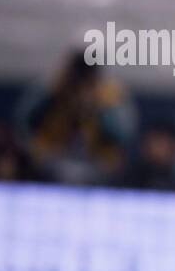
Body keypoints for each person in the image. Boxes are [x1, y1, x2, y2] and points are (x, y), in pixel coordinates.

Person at [19, 49, 135, 185]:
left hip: (97, 163)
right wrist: (54, 97)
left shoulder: (109, 94)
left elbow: (121, 135)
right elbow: (26, 123)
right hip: (53, 158)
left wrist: (98, 108)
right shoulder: (53, 87)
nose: (82, 84)